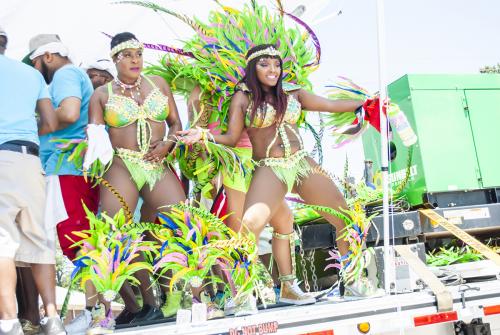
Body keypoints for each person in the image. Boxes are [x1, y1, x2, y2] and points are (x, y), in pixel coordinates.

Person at [179, 44, 382, 308]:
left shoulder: (293, 93)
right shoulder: (243, 97)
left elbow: (330, 105)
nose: (272, 70)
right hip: (270, 167)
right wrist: (203, 135)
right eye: (264, 64)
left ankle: (354, 281)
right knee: (249, 227)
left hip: (301, 163)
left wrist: (367, 104)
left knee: (345, 216)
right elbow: (230, 137)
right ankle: (244, 294)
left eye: (276, 64)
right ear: (253, 68)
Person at [86, 32, 190, 325]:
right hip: (122, 164)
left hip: (157, 163)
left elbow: (176, 124)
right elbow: (94, 136)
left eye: (139, 54)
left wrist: (169, 144)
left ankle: (185, 295)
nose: (135, 60)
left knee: (185, 222)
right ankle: (145, 300)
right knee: (116, 233)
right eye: (127, 55)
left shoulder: (159, 84)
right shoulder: (102, 95)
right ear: (115, 59)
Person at [23, 33, 104, 335]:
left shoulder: (65, 74)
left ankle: (98, 313)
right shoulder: (73, 74)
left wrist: (28, 121)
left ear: (47, 57)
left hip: (65, 167)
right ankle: (98, 311)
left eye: (35, 64)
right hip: (71, 167)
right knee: (82, 238)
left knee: (78, 239)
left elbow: (68, 113)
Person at [0, 25, 65, 335]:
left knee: (3, 245)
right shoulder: (31, 74)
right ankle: (53, 319)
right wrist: (22, 133)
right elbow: (50, 122)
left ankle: (10, 322)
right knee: (39, 242)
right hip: (30, 159)